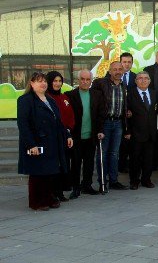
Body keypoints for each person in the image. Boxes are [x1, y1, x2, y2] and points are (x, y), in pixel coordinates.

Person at [17, 72, 73, 210]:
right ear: (31, 83)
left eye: (44, 81)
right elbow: (23, 124)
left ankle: (49, 198)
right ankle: (36, 202)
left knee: (50, 172)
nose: (43, 84)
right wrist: (31, 144)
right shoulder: (25, 100)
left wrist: (67, 135)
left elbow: (58, 122)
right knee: (37, 174)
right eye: (38, 81)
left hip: (52, 143)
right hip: (37, 142)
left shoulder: (50, 100)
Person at [66, 70, 105, 198]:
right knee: (76, 163)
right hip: (76, 136)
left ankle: (87, 185)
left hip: (91, 135)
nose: (85, 81)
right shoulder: (70, 95)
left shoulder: (97, 95)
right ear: (78, 80)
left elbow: (100, 114)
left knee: (89, 163)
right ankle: (75, 188)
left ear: (91, 81)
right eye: (82, 79)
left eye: (88, 79)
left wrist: (100, 130)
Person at [92, 61, 128, 192]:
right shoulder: (101, 83)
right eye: (115, 69)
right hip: (105, 123)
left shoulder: (124, 86)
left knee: (114, 153)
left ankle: (114, 180)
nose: (118, 71)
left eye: (120, 69)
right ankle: (102, 181)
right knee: (103, 153)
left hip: (118, 123)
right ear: (110, 70)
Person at [124, 71, 158, 190]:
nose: (143, 80)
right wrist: (127, 131)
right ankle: (134, 181)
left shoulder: (154, 93)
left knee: (149, 159)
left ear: (149, 81)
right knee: (135, 159)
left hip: (151, 133)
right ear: (135, 81)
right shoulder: (130, 94)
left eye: (146, 78)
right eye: (140, 78)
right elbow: (126, 113)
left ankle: (146, 180)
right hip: (135, 132)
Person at [46, 71, 75, 201]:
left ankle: (60, 192)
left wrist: (68, 130)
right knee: (53, 165)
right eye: (55, 81)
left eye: (59, 81)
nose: (57, 84)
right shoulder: (45, 98)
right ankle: (51, 192)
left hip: (65, 136)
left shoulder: (64, 98)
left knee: (64, 165)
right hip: (52, 137)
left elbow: (70, 117)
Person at [118, 52, 135, 174]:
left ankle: (129, 165)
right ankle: (120, 165)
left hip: (132, 115)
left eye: (129, 62)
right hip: (118, 115)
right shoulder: (115, 77)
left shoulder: (137, 77)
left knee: (131, 142)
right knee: (120, 143)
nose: (126, 64)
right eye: (124, 62)